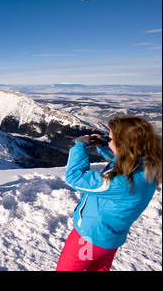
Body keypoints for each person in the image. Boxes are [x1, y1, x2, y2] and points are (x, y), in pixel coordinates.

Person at [56, 115, 162, 271]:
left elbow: (74, 178)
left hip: (89, 238)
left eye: (110, 138)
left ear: (124, 145)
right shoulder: (146, 167)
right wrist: (104, 146)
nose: (107, 139)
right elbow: (123, 160)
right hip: (110, 239)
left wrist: (79, 146)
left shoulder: (122, 182)